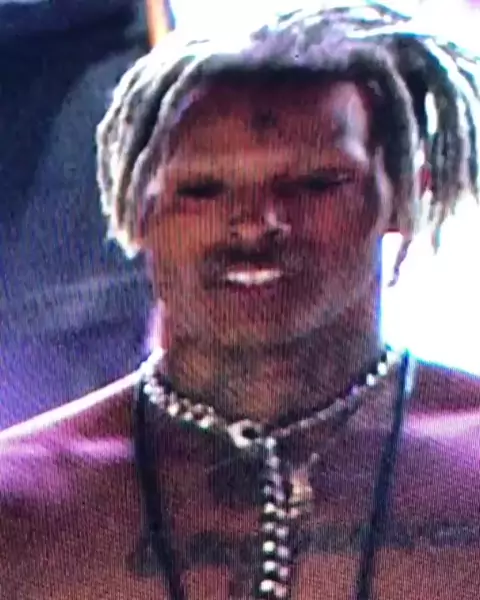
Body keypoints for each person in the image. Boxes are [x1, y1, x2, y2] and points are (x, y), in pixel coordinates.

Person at [1, 3, 480, 599]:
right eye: (203, 189)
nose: (256, 224)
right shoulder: (20, 499)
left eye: (316, 182)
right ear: (138, 210)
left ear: (406, 197)